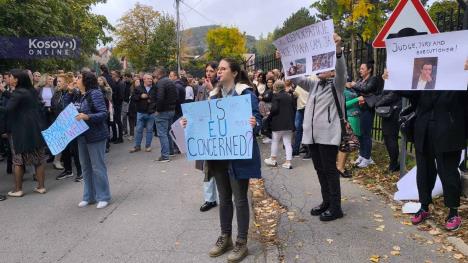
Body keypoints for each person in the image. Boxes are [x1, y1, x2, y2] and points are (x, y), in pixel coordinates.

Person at [181, 58, 261, 262]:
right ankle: (225, 237)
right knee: (224, 199)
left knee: (240, 199)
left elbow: (259, 122)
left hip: (237, 158)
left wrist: (254, 123)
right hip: (218, 157)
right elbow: (203, 122)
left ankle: (241, 242)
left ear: (234, 73)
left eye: (223, 69)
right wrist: (188, 123)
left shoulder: (245, 94)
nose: (218, 72)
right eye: (218, 69)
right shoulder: (213, 96)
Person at [383, 69, 466, 231]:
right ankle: (424, 206)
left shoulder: (459, 75)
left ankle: (453, 211)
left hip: (449, 132)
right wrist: (391, 79)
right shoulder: (425, 79)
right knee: (424, 171)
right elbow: (409, 91)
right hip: (424, 130)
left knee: (448, 172)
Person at [289, 33, 346, 222]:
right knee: (320, 170)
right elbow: (296, 78)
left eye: (326, 66)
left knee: (330, 170)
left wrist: (337, 50)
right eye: (319, 65)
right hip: (312, 137)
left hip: (328, 135)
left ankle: (336, 207)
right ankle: (326, 202)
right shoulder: (314, 85)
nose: (321, 68)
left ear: (332, 72)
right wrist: (287, 60)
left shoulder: (336, 85)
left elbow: (341, 69)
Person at [67, 72, 111, 209]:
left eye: (79, 77)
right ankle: (89, 196)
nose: (76, 79)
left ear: (86, 80)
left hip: (96, 135)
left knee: (98, 167)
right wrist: (68, 93)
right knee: (85, 167)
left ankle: (104, 196)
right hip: (82, 136)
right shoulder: (79, 94)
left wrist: (88, 117)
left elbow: (104, 114)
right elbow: (66, 109)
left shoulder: (95, 93)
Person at [1, 69, 48, 197]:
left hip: (22, 132)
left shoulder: (18, 92)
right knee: (38, 160)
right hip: (35, 129)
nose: (7, 79)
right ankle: (41, 187)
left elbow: (8, 109)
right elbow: (17, 99)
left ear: (16, 79)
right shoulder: (30, 91)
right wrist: (4, 91)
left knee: (18, 160)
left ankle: (18, 189)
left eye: (9, 77)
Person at [51, 73, 83, 181]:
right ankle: (68, 170)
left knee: (74, 149)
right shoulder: (57, 93)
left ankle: (80, 171)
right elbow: (53, 106)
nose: (57, 83)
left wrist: (72, 91)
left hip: (72, 124)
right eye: (57, 81)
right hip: (60, 123)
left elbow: (77, 104)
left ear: (67, 82)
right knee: (64, 148)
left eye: (60, 81)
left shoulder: (74, 92)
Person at [349, 62, 380, 168]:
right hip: (360, 109)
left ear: (369, 70)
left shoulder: (373, 79)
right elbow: (357, 92)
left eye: (362, 68)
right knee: (360, 133)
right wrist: (353, 86)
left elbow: (366, 89)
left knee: (366, 134)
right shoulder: (360, 80)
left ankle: (367, 158)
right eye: (360, 68)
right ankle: (362, 155)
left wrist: (355, 86)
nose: (360, 70)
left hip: (368, 109)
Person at [198, 62, 219, 213]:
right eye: (207, 71)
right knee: (207, 168)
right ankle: (209, 199)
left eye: (211, 71)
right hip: (205, 133)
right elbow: (196, 106)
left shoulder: (222, 87)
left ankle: (225, 197)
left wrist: (213, 91)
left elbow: (225, 107)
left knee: (222, 168)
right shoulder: (201, 87)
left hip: (220, 133)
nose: (208, 74)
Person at [264, 80, 295, 169]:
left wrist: (269, 117)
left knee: (275, 141)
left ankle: (273, 159)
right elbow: (294, 108)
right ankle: (288, 162)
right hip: (288, 123)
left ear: (276, 87)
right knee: (288, 143)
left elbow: (275, 109)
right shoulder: (289, 96)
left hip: (278, 123)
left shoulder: (276, 96)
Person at [153, 67, 178, 162]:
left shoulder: (160, 83)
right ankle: (170, 152)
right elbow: (176, 95)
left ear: (159, 73)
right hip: (171, 110)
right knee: (168, 132)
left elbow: (160, 98)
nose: (154, 74)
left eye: (155, 72)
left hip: (163, 111)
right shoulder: (171, 81)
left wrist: (158, 110)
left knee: (162, 133)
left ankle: (165, 156)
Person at [336, 83, 361, 178]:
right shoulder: (340, 88)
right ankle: (340, 167)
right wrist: (357, 99)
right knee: (346, 144)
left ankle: (340, 166)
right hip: (348, 118)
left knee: (348, 144)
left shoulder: (350, 88)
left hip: (354, 116)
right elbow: (341, 105)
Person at [375, 91, 402, 172]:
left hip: (394, 112)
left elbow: (393, 94)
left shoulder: (393, 82)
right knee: (387, 138)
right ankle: (393, 163)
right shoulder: (388, 82)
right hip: (389, 111)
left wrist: (377, 103)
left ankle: (394, 164)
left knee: (391, 138)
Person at [130, 74, 156, 153]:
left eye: (151, 79)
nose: (150, 80)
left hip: (151, 112)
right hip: (140, 112)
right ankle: (137, 146)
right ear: (144, 79)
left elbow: (158, 99)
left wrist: (153, 105)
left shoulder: (155, 88)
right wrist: (140, 96)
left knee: (149, 130)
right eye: (148, 79)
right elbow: (133, 98)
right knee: (138, 130)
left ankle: (148, 146)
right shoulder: (138, 88)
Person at [291, 81, 310, 158]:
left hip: (308, 108)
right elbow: (295, 94)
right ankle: (296, 150)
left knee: (306, 130)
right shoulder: (300, 84)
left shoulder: (311, 82)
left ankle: (309, 151)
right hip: (300, 108)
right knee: (298, 129)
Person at [110, 70, 124, 144]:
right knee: (115, 120)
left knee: (118, 121)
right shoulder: (116, 83)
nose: (111, 75)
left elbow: (121, 96)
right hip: (115, 104)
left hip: (117, 105)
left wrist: (116, 103)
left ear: (116, 75)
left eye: (113, 74)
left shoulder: (120, 83)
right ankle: (115, 137)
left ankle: (120, 138)